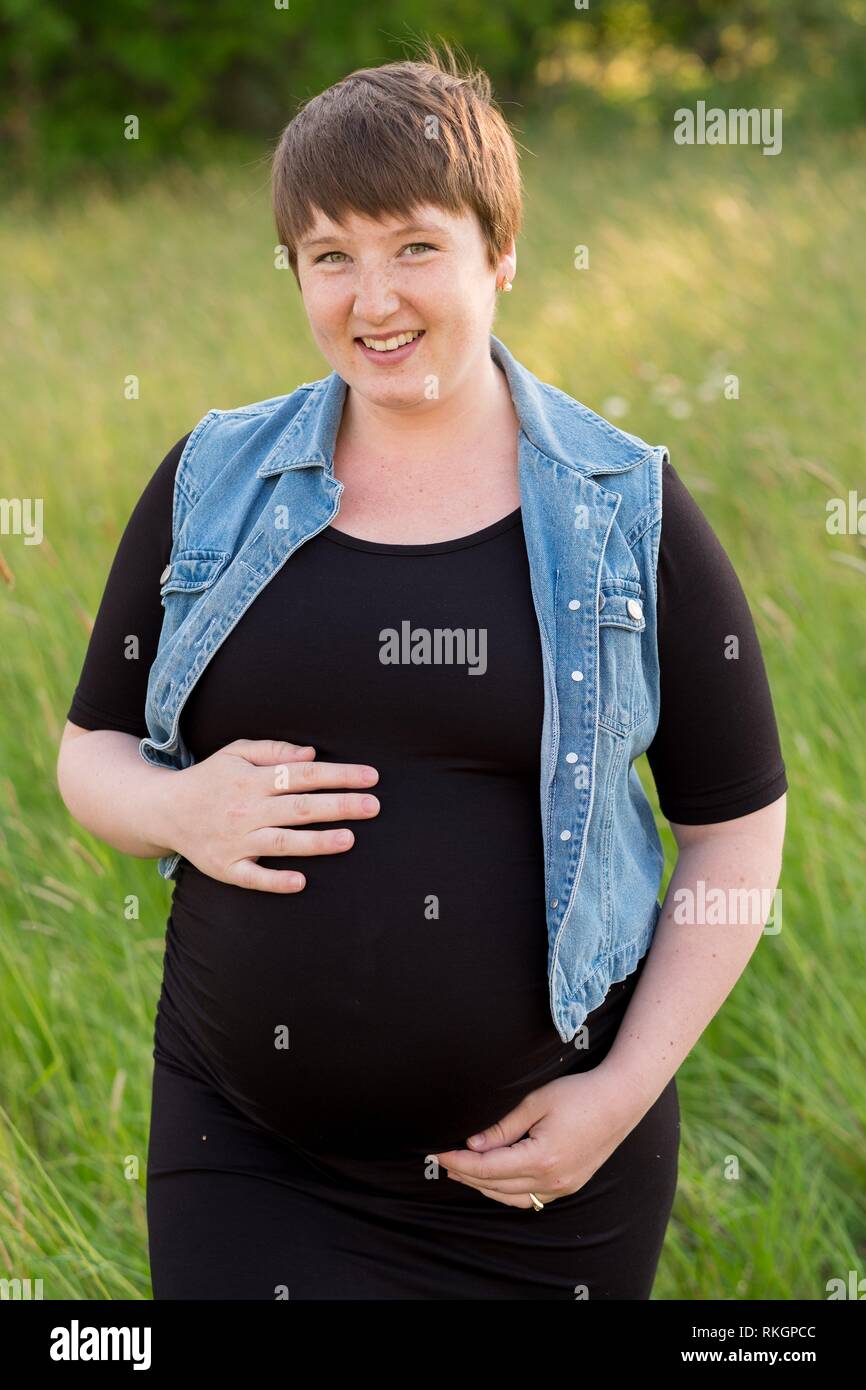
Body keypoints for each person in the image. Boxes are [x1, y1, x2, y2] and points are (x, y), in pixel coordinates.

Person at [57, 44, 787, 1300]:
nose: (371, 297)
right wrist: (176, 806)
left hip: (542, 1181)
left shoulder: (624, 504)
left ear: (498, 253)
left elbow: (733, 829)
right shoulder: (210, 481)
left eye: (412, 245)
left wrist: (618, 1093)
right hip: (244, 1151)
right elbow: (90, 755)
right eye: (328, 254)